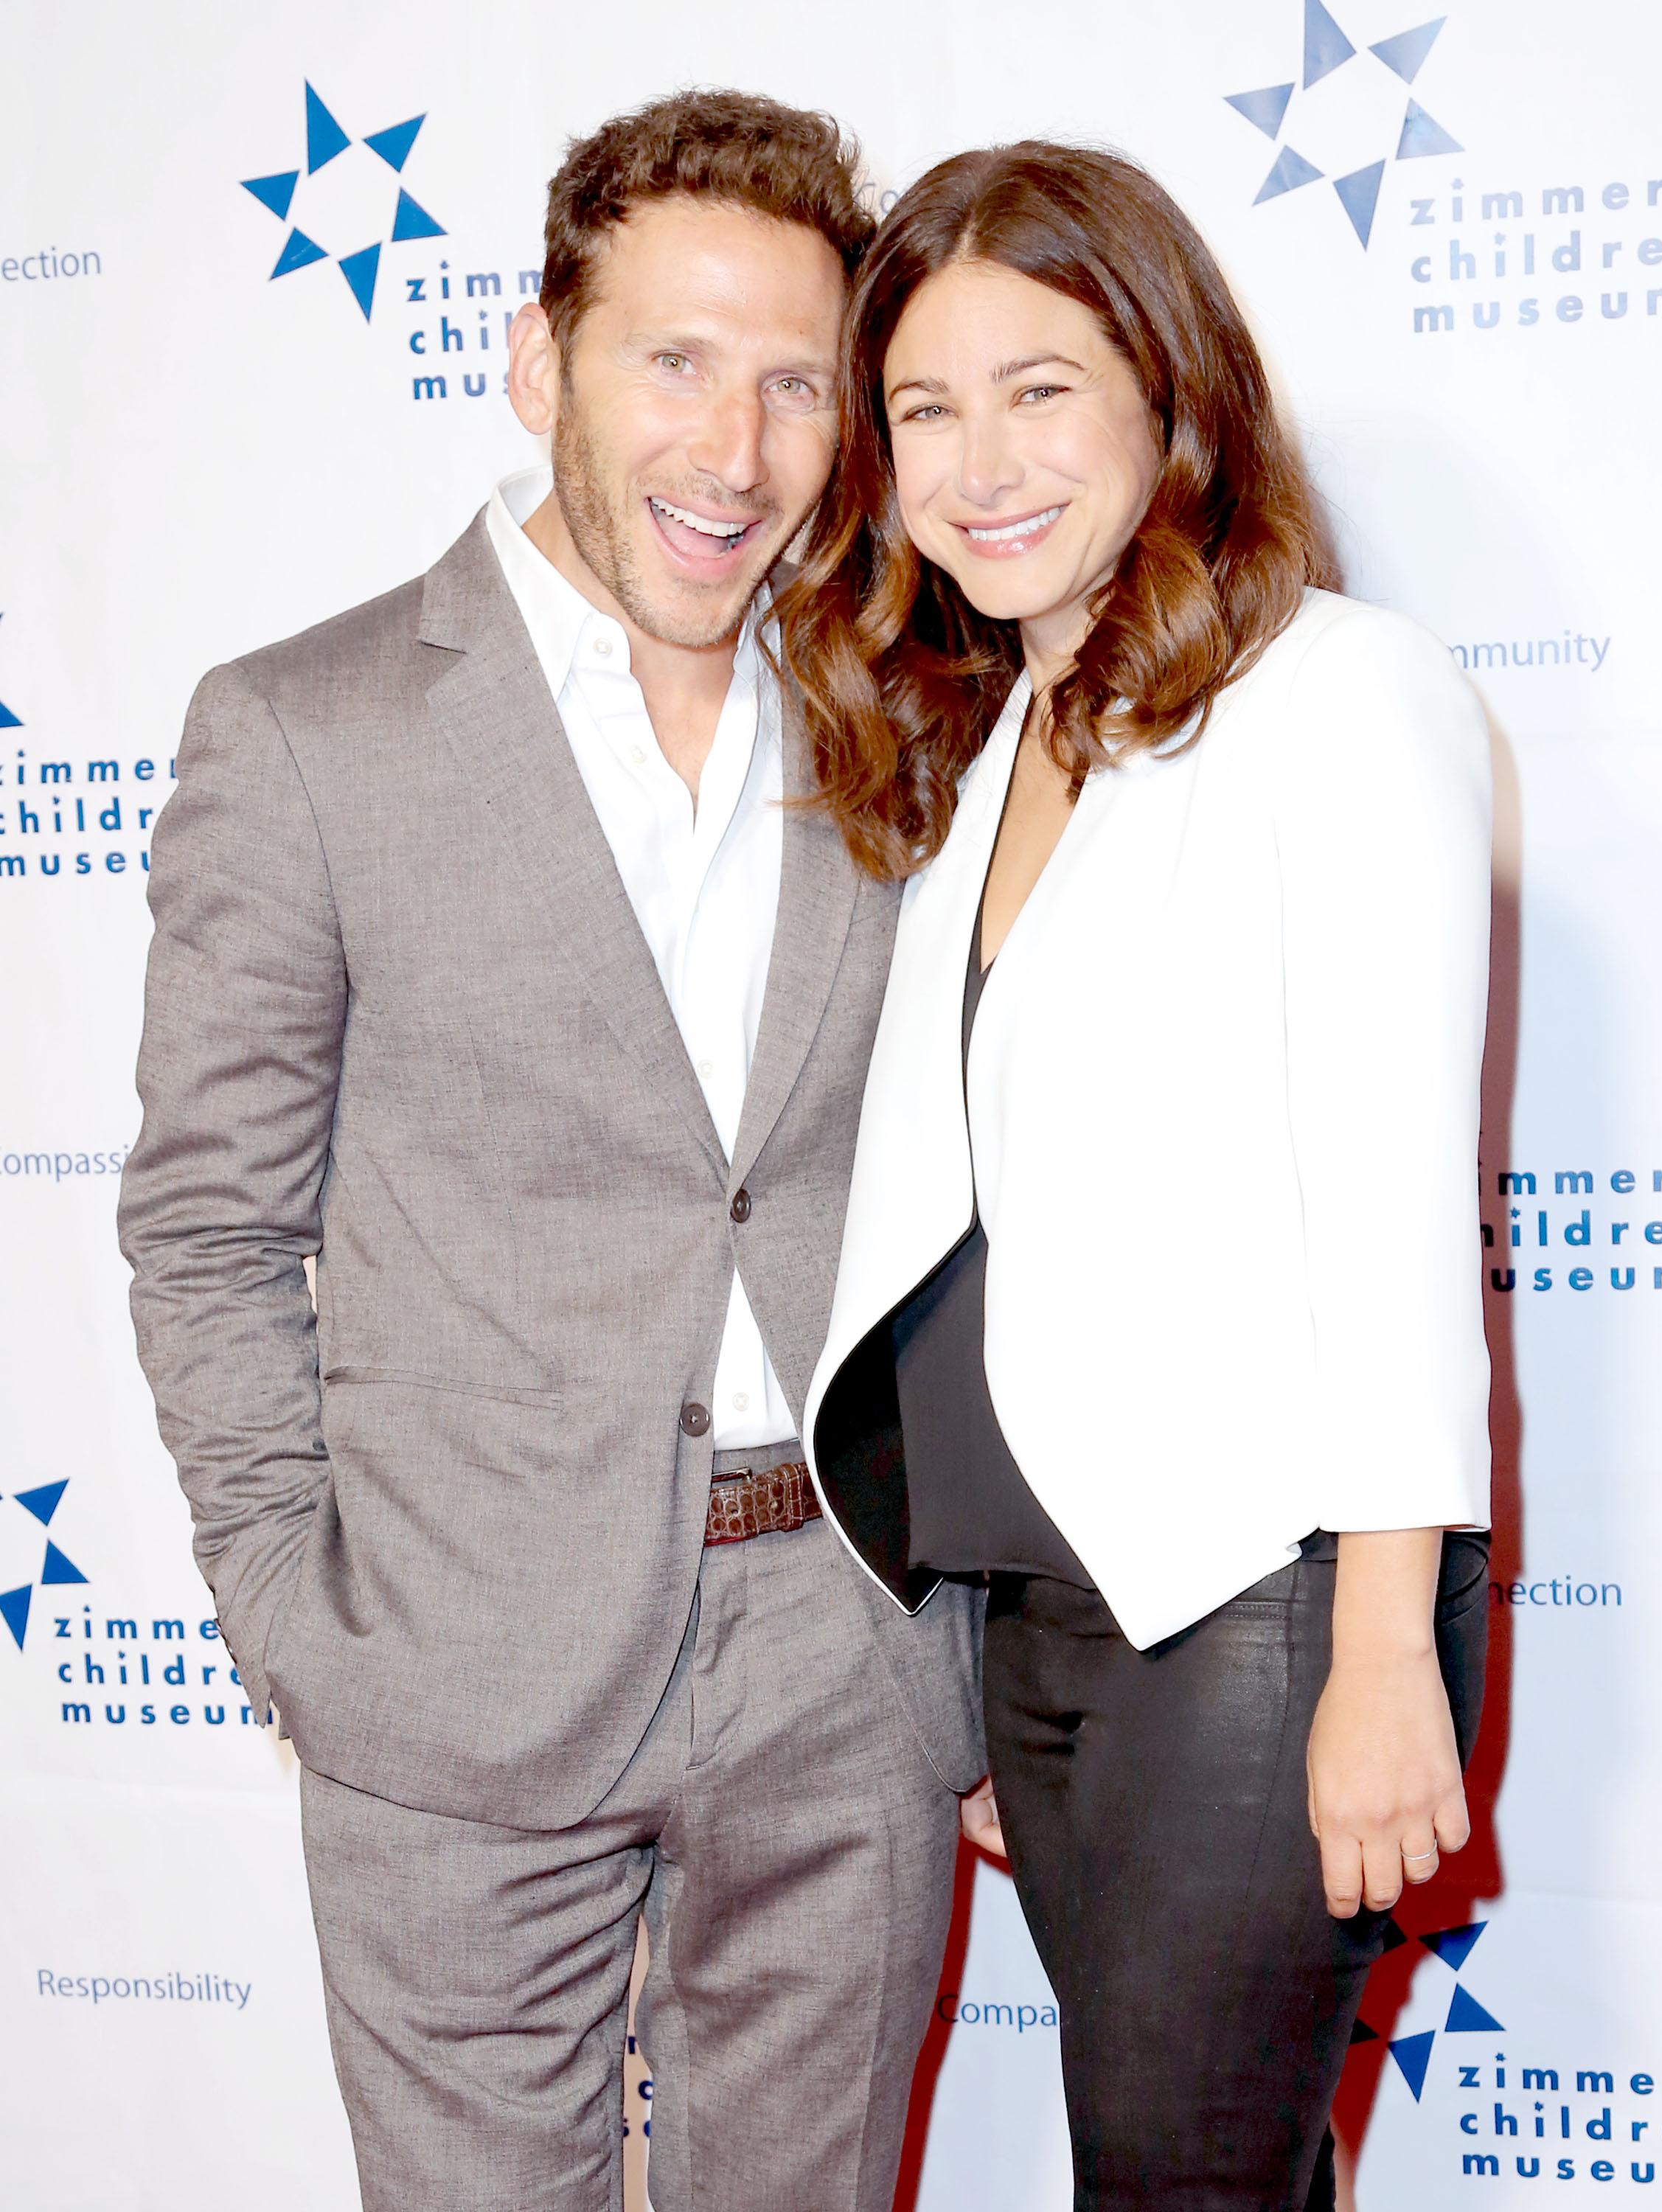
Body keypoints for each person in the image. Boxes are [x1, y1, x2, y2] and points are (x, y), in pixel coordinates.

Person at [117, 90, 984, 2212]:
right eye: (672, 362)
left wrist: (953, 1638)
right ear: (537, 363)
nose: (735, 448)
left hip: (839, 1641)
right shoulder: (305, 731)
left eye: (794, 383)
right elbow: (209, 1228)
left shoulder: (905, 717)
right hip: (451, 1658)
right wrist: (289, 1617)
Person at [784, 142, 1492, 2210]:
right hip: (1063, 1616)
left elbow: (1388, 1206)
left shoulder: (1334, 696)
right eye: (925, 407)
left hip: (1268, 1611)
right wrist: (996, 1659)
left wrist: (1379, 1664)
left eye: (1040, 388)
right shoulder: (1003, 735)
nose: (977, 461)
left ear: (1169, 397)